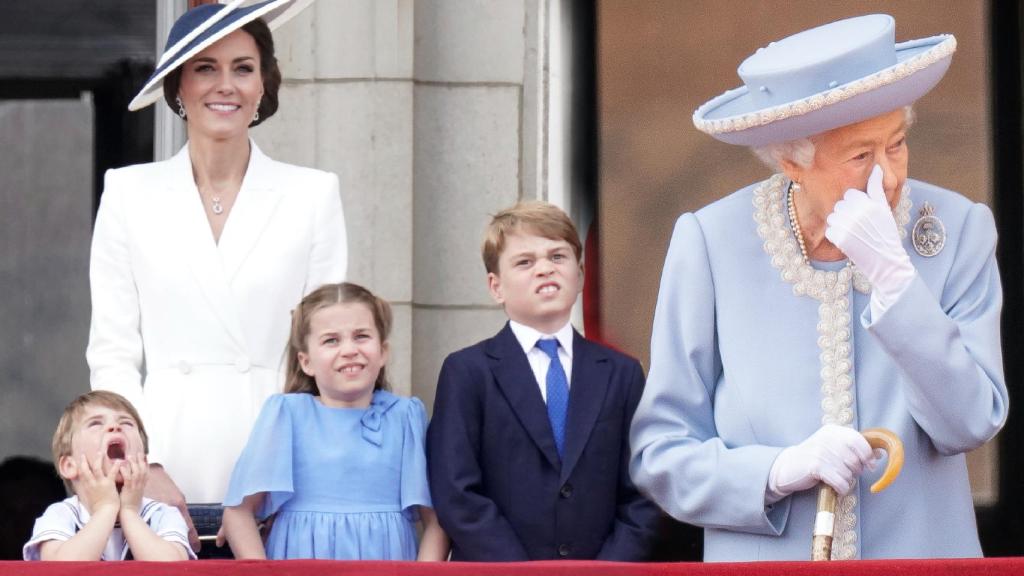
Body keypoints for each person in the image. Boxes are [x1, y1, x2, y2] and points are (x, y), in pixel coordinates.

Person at [629, 14, 1007, 561]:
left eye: (896, 145)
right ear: (792, 162)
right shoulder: (711, 242)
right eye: (860, 157)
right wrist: (776, 471)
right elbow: (660, 454)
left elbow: (971, 422)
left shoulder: (957, 229)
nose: (890, 177)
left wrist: (897, 283)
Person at [86, 0, 345, 548]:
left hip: (279, 484)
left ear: (263, 87)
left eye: (242, 68)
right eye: (205, 67)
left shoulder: (312, 194)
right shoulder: (128, 194)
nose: (224, 85)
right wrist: (141, 466)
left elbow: (325, 353)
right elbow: (112, 352)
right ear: (178, 87)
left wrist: (282, 480)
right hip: (160, 474)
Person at [427, 201, 660, 561]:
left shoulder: (622, 372)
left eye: (557, 256)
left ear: (580, 275)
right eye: (525, 262)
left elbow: (643, 490)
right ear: (496, 286)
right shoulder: (468, 371)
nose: (544, 269)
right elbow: (457, 492)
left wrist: (609, 571)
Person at [220, 282, 448, 560]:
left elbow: (436, 520)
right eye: (331, 340)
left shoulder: (406, 417)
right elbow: (238, 512)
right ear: (306, 362)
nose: (349, 349)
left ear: (383, 351)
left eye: (361, 336)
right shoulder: (286, 415)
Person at [23, 391, 194, 561]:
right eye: (96, 424)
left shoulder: (162, 514)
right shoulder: (60, 515)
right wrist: (105, 509)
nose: (115, 427)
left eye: (126, 423)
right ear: (69, 465)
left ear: (144, 461)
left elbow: (174, 568)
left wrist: (130, 512)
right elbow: (59, 569)